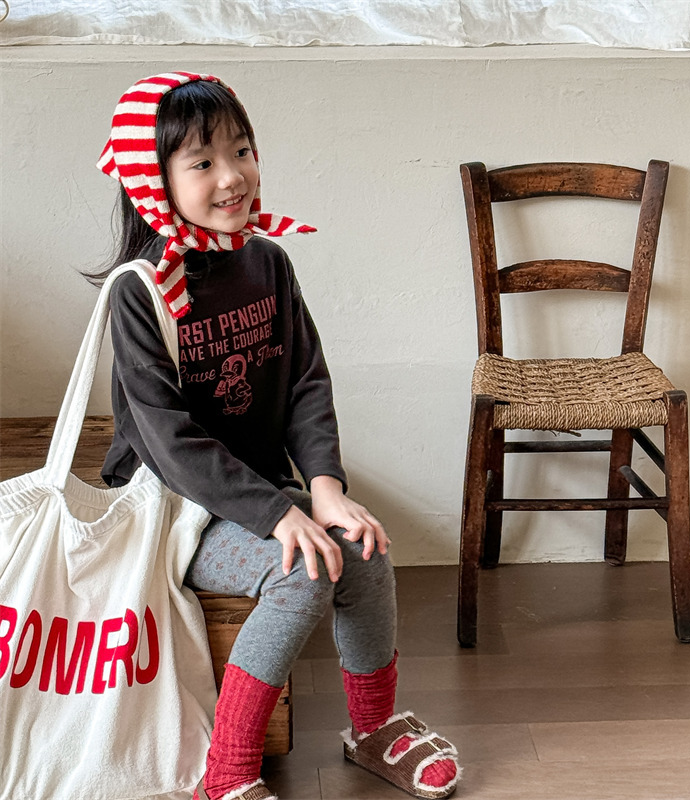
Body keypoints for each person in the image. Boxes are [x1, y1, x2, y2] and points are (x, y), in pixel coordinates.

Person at [93, 71, 460, 800]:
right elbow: (168, 441)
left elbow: (305, 384)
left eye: (242, 150)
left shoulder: (267, 262)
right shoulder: (140, 289)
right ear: (152, 179)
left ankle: (373, 728)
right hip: (173, 509)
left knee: (361, 545)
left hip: (256, 493)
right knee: (302, 569)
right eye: (202, 162)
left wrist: (324, 490)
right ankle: (227, 769)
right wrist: (277, 515)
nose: (232, 176)